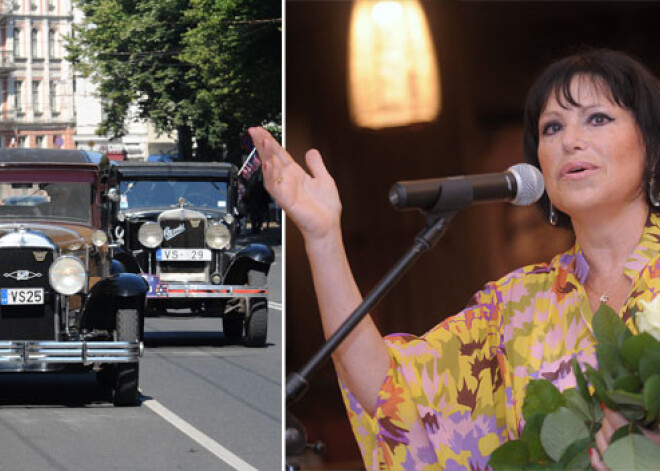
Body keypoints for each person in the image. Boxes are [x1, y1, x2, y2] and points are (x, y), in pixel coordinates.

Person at [251, 48, 660, 470]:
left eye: (597, 118)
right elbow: (390, 394)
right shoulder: (515, 306)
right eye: (552, 127)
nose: (570, 140)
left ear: (651, 145)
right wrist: (323, 237)